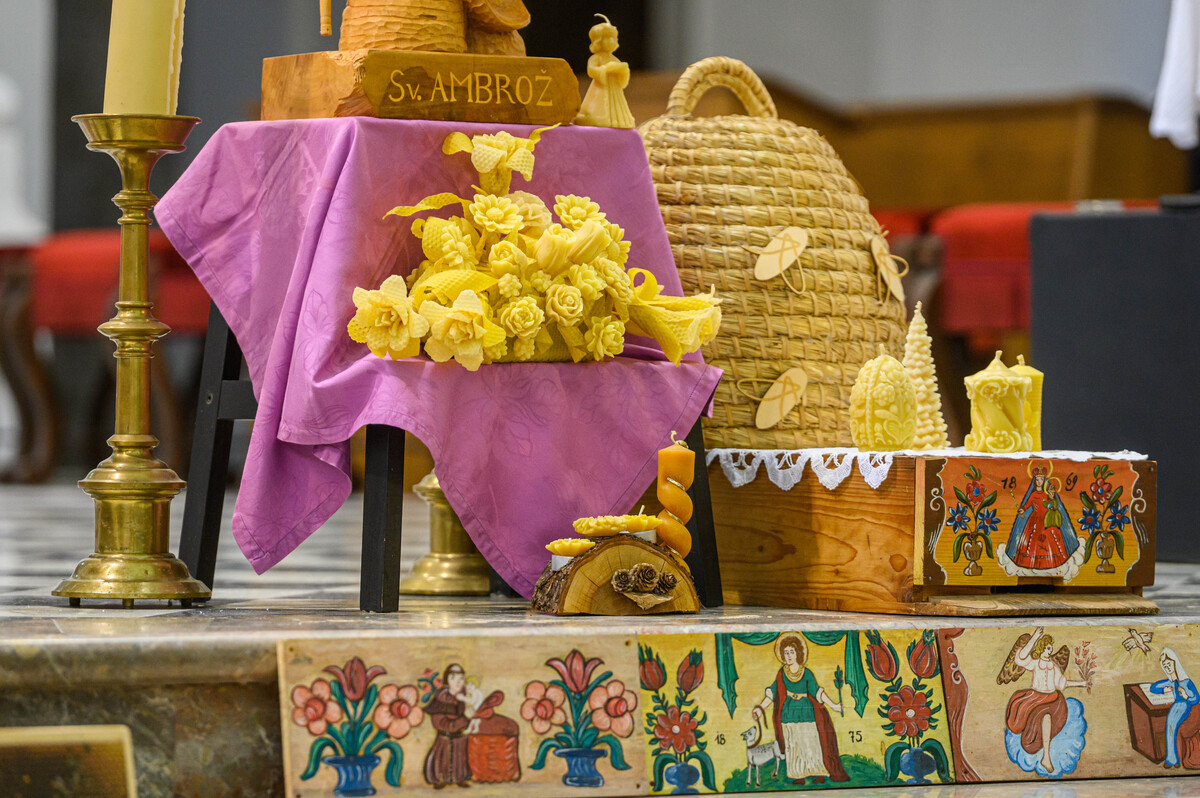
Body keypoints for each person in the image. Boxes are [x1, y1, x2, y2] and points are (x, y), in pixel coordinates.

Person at [751, 635, 848, 785]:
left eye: (792, 652)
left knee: (811, 743)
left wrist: (834, 705)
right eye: (786, 653)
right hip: (789, 713)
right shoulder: (782, 674)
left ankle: (818, 773)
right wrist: (760, 709)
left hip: (807, 711)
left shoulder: (806, 673)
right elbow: (772, 694)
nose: (789, 656)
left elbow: (817, 692)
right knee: (794, 744)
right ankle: (798, 775)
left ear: (798, 653)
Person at [999, 627, 1088, 774]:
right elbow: (1020, 659)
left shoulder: (1053, 666)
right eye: (1047, 648)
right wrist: (1034, 637)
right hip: (1036, 699)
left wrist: (1082, 683)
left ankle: (1046, 757)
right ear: (1041, 649)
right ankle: (1045, 757)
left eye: (1051, 648)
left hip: (1053, 700)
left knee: (1046, 718)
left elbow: (1062, 683)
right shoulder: (1035, 663)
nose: (1050, 651)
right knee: (1029, 720)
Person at [1005, 468, 1080, 572]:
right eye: (1037, 480)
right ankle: (1033, 563)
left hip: (1046, 521)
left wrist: (1052, 501)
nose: (1039, 482)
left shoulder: (1047, 494)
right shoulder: (1033, 494)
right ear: (1034, 481)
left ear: (1044, 480)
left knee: (1050, 541)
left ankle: (1050, 562)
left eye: (1041, 479)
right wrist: (1022, 510)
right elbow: (1027, 505)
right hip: (1034, 520)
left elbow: (1052, 504)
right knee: (1033, 541)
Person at [574, 14, 635, 128]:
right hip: (600, 88)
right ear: (598, 41)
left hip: (614, 88)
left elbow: (623, 73)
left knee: (616, 108)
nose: (611, 41)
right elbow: (591, 70)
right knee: (599, 108)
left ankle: (617, 119)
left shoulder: (614, 59)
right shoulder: (596, 58)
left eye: (613, 38)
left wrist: (623, 70)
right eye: (607, 38)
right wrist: (605, 69)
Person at [1150, 648, 1200, 768]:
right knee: (1170, 726)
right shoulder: (1170, 682)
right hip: (1176, 706)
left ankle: (1173, 760)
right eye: (1165, 666)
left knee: (1171, 725)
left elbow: (1196, 698)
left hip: (1185, 706)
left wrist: (1186, 696)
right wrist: (1164, 690)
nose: (1167, 668)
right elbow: (1153, 687)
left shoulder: (1185, 681)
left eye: (1169, 664)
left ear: (1175, 663)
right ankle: (1173, 759)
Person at [424, 663, 472, 788]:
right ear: (448, 680)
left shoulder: (465, 698)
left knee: (460, 759)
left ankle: (460, 778)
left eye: (461, 678)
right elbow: (441, 724)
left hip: (459, 739)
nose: (458, 682)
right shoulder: (441, 700)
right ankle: (440, 779)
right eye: (453, 678)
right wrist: (464, 718)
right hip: (444, 739)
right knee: (442, 759)